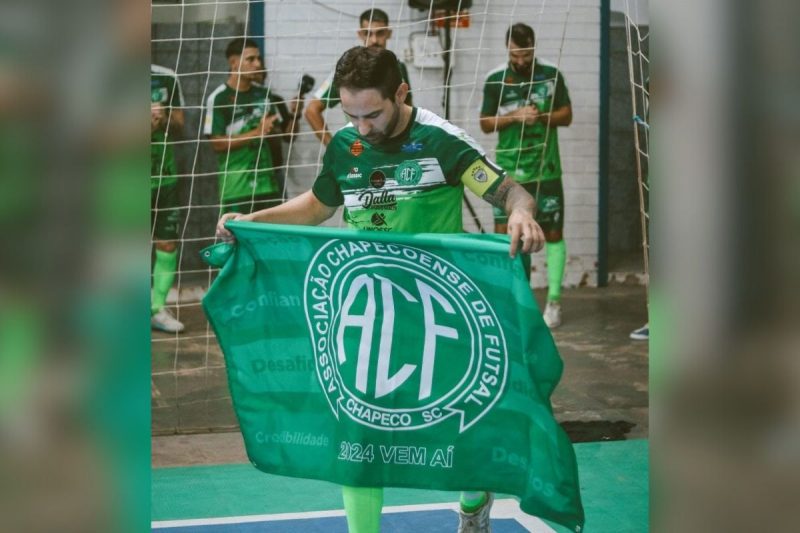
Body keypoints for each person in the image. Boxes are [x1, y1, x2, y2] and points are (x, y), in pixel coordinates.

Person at [217, 46, 544, 533]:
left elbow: (510, 191)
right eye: (351, 114)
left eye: (372, 114)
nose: (361, 126)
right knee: (359, 437)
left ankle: (473, 504)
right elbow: (317, 205)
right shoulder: (346, 144)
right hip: (365, 313)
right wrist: (252, 220)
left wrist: (519, 212)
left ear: (401, 94)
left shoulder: (442, 142)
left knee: (459, 431)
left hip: (437, 313)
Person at [480, 23, 573, 328]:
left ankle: (554, 302)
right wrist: (513, 117)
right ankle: (518, 305)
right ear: (508, 49)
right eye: (516, 54)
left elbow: (567, 115)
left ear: (534, 47)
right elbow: (484, 123)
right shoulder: (495, 79)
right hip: (508, 174)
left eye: (527, 53)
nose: (521, 60)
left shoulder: (551, 73)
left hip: (545, 170)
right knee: (509, 239)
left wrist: (541, 116)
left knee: (553, 234)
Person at [203, 38, 301, 214]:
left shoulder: (264, 94)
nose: (257, 64)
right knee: (238, 239)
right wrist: (257, 132)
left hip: (268, 184)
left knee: (273, 239)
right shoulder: (219, 98)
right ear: (233, 62)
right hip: (237, 186)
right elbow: (217, 143)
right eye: (250, 59)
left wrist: (295, 114)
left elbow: (285, 135)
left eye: (258, 59)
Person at [304, 8, 412, 146]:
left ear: (389, 33)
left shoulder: (399, 68)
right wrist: (334, 148)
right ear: (360, 34)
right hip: (362, 149)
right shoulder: (347, 70)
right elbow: (311, 110)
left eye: (380, 33)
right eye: (368, 33)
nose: (374, 40)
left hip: (396, 148)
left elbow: (408, 107)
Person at [151, 64, 186, 333]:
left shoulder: (166, 76)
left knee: (167, 244)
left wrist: (161, 119)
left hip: (166, 178)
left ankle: (156, 308)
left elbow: (180, 124)